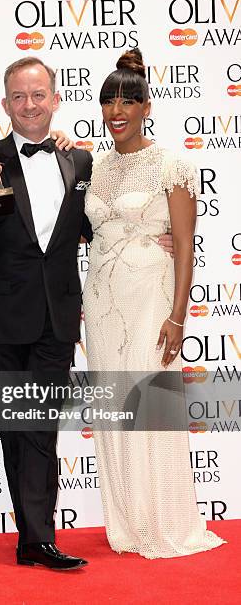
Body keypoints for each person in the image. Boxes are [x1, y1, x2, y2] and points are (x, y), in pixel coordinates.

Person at [83, 48, 225, 558]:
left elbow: (185, 245)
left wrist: (178, 316)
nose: (116, 110)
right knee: (114, 410)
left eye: (128, 100)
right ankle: (125, 521)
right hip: (100, 304)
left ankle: (163, 521)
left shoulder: (173, 163)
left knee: (149, 404)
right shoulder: (93, 166)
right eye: (107, 101)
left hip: (151, 302)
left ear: (146, 106)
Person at [0, 57, 93, 570]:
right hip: (3, 314)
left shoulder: (78, 160)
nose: (30, 105)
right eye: (19, 96)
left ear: (55, 98)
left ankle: (36, 538)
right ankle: (31, 536)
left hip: (57, 313)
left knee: (41, 426)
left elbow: (94, 229)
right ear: (4, 105)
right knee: (17, 426)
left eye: (39, 95)